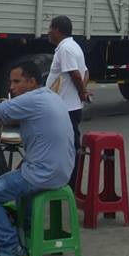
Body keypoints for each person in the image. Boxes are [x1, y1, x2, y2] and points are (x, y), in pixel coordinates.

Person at [0, 58, 75, 256]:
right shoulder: (50, 96)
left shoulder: (32, 100)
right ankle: (29, 232)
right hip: (61, 172)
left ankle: (11, 249)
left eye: (16, 81)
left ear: (31, 82)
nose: (11, 87)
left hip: (42, 174)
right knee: (22, 172)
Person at [46, 15, 91, 180]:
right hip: (70, 107)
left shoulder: (65, 49)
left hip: (66, 108)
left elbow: (76, 74)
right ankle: (70, 181)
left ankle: (70, 183)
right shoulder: (74, 46)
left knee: (68, 148)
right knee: (69, 146)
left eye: (50, 29)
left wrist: (82, 91)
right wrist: (83, 91)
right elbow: (85, 72)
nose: (48, 33)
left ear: (57, 30)